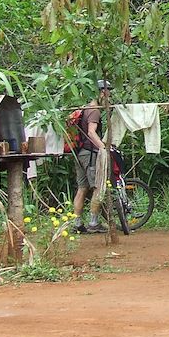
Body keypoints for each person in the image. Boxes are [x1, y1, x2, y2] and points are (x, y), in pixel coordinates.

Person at [72, 80, 112, 234]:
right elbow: (91, 132)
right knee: (97, 187)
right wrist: (102, 148)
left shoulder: (84, 109)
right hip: (90, 154)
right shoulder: (94, 110)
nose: (108, 95)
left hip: (79, 153)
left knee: (82, 188)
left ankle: (77, 223)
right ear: (101, 92)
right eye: (107, 92)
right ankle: (93, 222)